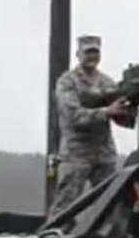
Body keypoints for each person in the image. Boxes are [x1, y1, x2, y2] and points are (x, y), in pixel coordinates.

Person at [52, 34, 133, 212]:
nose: (92, 56)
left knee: (111, 205)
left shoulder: (107, 82)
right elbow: (75, 117)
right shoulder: (67, 82)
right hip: (76, 154)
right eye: (88, 52)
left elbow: (125, 121)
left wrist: (131, 104)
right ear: (78, 54)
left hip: (104, 153)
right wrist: (106, 111)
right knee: (64, 206)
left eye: (95, 52)